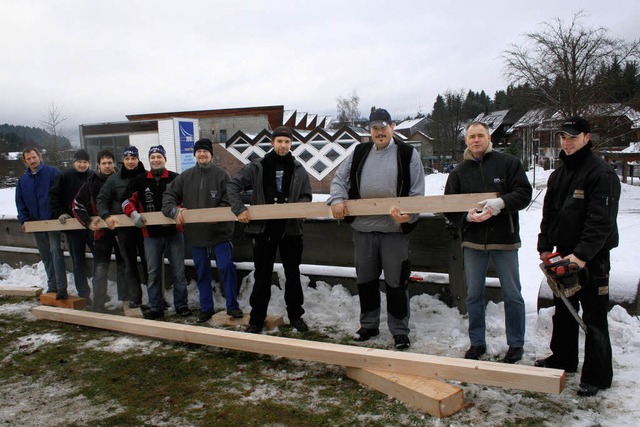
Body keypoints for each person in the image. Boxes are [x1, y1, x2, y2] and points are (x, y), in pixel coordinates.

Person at [536, 116, 620, 397]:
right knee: (564, 312)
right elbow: (549, 215)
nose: (566, 142)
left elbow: (601, 222)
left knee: (595, 317)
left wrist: (581, 256)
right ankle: (563, 359)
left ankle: (597, 376)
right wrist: (545, 247)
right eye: (563, 137)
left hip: (592, 260)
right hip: (562, 257)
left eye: (572, 136)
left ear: (587, 137)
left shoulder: (600, 173)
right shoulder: (559, 174)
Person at [328, 108, 425, 350]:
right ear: (370, 131)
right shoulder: (359, 152)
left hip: (394, 231)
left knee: (396, 282)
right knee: (366, 281)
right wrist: (337, 199)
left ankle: (400, 331)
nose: (379, 132)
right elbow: (339, 180)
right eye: (374, 129)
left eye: (383, 127)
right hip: (363, 231)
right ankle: (369, 325)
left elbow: (417, 191)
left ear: (392, 127)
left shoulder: (407, 153)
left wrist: (409, 215)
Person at [444, 121, 532, 363]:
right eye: (471, 136)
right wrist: (466, 218)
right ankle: (477, 342)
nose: (476, 140)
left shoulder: (508, 164)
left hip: (504, 241)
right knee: (473, 295)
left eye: (480, 135)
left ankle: (516, 344)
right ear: (466, 141)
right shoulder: (459, 172)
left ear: (489, 137)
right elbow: (449, 208)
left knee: (512, 294)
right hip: (473, 243)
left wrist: (501, 203)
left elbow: (524, 193)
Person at [227, 126, 312, 334]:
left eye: (287, 142)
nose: (283, 145)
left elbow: (306, 195)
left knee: (293, 275)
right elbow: (232, 186)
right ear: (272, 143)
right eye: (279, 141)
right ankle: (256, 319)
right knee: (262, 276)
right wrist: (239, 209)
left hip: (290, 230)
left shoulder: (299, 169)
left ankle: (295, 316)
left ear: (291, 144)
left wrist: (301, 208)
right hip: (263, 231)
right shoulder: (257, 167)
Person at [163, 138, 242, 323]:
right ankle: (206, 308)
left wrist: (217, 213)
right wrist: (173, 210)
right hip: (196, 234)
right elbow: (168, 195)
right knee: (202, 271)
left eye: (205, 151)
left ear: (211, 155)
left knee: (226, 268)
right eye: (199, 151)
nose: (202, 154)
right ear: (195, 154)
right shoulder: (185, 176)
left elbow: (231, 197)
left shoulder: (222, 175)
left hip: (220, 233)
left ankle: (233, 306)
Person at [122, 145, 191, 320]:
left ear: (165, 159)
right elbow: (125, 200)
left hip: (174, 232)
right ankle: (156, 306)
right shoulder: (140, 180)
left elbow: (187, 199)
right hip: (150, 235)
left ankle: (181, 305)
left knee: (178, 272)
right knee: (153, 273)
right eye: (152, 157)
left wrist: (179, 209)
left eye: (159, 156)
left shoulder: (176, 178)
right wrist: (132, 213)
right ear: (149, 160)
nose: (156, 160)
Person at [73, 150, 126, 311]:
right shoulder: (91, 182)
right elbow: (76, 204)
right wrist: (87, 222)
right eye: (104, 163)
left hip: (121, 230)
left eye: (110, 163)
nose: (107, 166)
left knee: (124, 266)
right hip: (101, 233)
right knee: (101, 268)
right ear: (98, 165)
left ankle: (126, 302)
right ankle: (98, 305)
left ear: (114, 164)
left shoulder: (121, 179)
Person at [96, 146, 148, 309]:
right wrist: (106, 215)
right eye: (127, 159)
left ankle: (154, 297)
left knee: (150, 263)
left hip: (146, 228)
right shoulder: (114, 179)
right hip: (124, 229)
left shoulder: (146, 176)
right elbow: (102, 199)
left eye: (133, 158)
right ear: (123, 160)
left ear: (138, 160)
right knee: (129, 264)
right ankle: (135, 298)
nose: (130, 162)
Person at [15, 147, 67, 299]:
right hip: (36, 223)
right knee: (45, 255)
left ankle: (62, 288)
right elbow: (20, 202)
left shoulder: (53, 172)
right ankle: (52, 285)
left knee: (56, 252)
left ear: (40, 156)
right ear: (25, 161)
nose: (32, 161)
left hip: (52, 222)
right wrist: (24, 220)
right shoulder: (23, 181)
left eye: (34, 157)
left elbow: (61, 195)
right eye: (29, 159)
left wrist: (61, 213)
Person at [49, 149, 94, 301]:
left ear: (89, 163)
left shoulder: (92, 176)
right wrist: (60, 213)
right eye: (79, 162)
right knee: (77, 260)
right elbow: (54, 196)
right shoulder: (65, 176)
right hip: (73, 226)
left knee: (100, 257)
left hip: (91, 224)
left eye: (85, 162)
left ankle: (101, 291)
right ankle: (83, 293)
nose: (82, 165)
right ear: (74, 162)